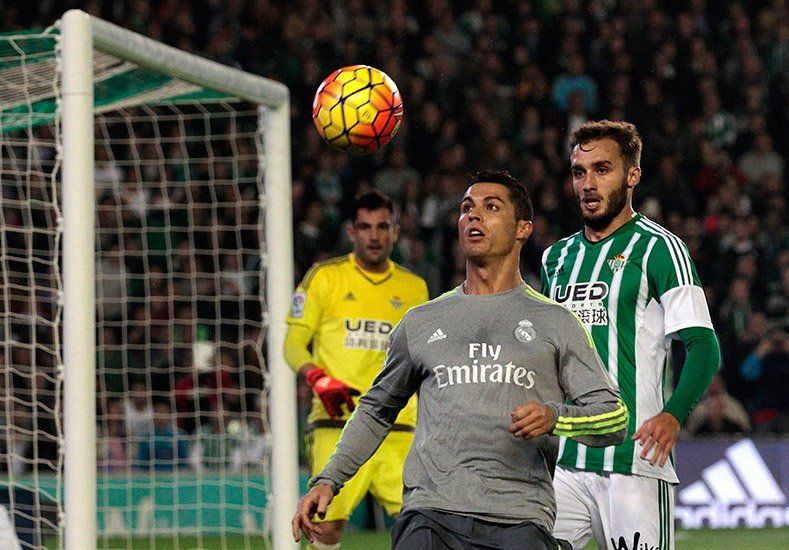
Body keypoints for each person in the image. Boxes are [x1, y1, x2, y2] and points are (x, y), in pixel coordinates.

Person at [293, 171, 628, 549]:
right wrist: (329, 480)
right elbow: (376, 409)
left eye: (492, 207)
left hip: (518, 515)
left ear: (523, 229)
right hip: (431, 513)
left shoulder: (556, 322)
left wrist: (556, 417)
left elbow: (614, 418)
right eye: (467, 208)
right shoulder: (422, 321)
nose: (474, 216)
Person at [541, 120, 721, 550]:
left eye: (602, 170)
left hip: (634, 458)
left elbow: (703, 346)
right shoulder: (556, 258)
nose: (588, 183)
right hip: (563, 461)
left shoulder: (661, 249)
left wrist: (673, 414)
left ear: (632, 175)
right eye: (579, 172)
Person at [285, 190, 429, 549]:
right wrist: (318, 378)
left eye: (382, 227)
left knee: (426, 526)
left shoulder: (414, 288)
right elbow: (292, 343)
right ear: (352, 232)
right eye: (365, 227)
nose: (374, 236)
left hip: (399, 429)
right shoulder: (324, 277)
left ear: (395, 232)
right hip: (337, 425)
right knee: (326, 529)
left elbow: (423, 358)